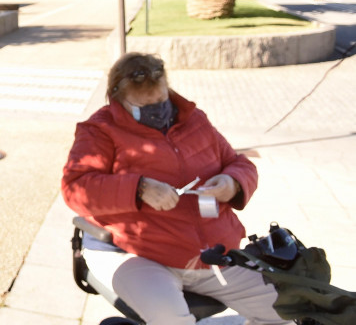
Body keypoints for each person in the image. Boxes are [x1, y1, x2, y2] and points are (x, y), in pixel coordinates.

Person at [62, 52, 292, 325]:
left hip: (214, 254)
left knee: (290, 308)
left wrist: (232, 183)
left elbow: (237, 162)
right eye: (142, 105)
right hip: (140, 255)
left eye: (160, 101)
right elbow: (75, 187)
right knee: (172, 320)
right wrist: (139, 189)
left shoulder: (194, 120)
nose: (156, 110)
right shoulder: (100, 130)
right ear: (118, 98)